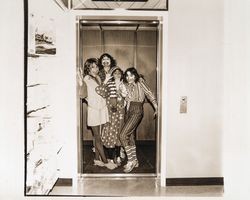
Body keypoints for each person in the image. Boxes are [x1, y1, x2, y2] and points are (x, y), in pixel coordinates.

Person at [79, 58, 117, 170]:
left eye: (96, 66)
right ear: (88, 69)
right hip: (94, 110)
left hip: (102, 108)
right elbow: (98, 90)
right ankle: (105, 162)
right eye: (92, 67)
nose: (95, 69)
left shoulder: (98, 78)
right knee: (98, 137)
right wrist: (105, 82)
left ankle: (97, 159)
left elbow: (103, 93)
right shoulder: (87, 78)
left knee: (98, 137)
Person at [119, 67, 158, 173]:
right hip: (128, 110)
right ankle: (135, 160)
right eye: (127, 75)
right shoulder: (125, 84)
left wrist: (156, 106)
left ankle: (130, 161)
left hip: (137, 109)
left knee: (122, 135)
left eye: (131, 75)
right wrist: (122, 92)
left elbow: (149, 93)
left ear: (135, 75)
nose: (129, 77)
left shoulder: (140, 82)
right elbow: (123, 98)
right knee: (130, 136)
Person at [96, 66, 127, 165]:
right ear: (112, 74)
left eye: (119, 73)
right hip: (110, 113)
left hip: (121, 113)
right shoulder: (109, 84)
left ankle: (117, 156)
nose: (117, 74)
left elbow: (128, 97)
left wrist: (124, 100)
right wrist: (106, 80)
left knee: (119, 133)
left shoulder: (124, 85)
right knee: (110, 134)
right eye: (115, 73)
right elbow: (99, 90)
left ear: (121, 75)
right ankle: (110, 158)